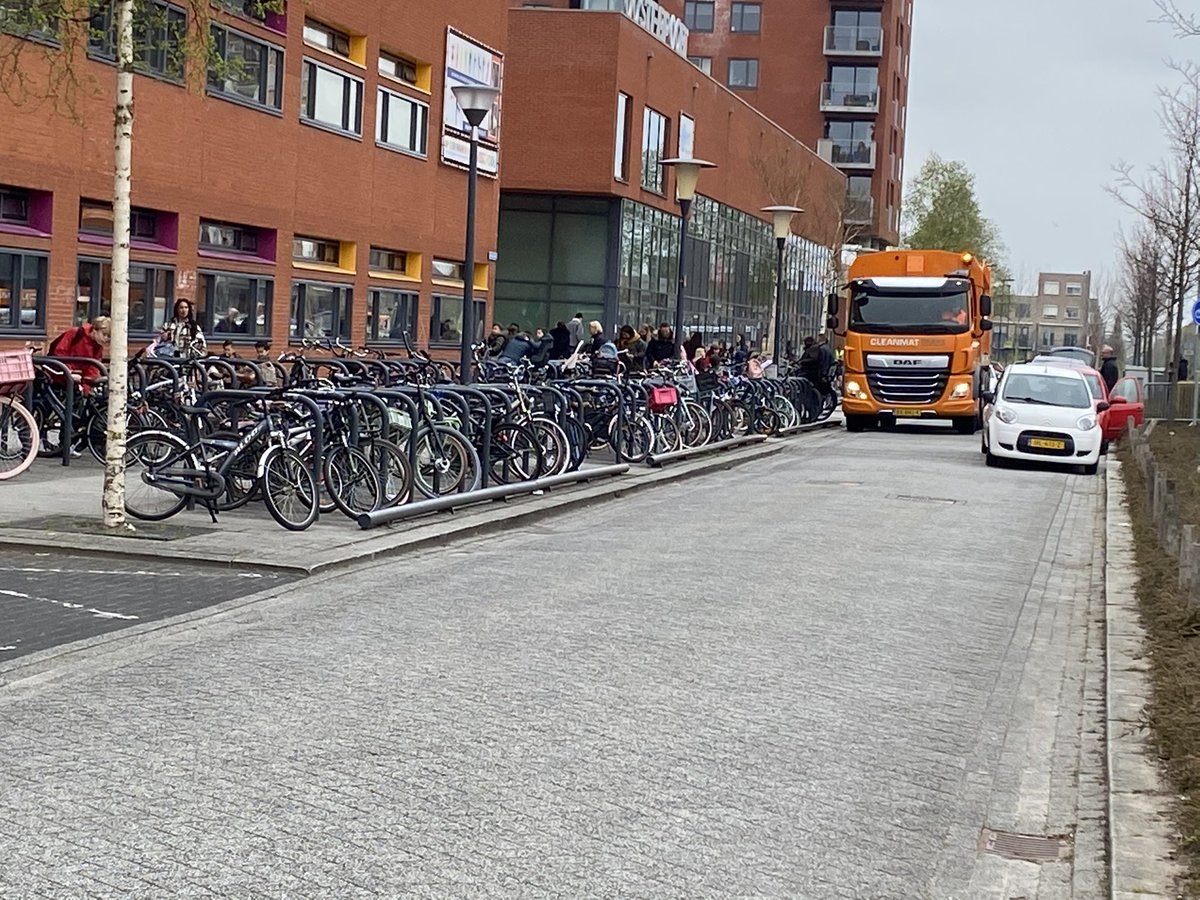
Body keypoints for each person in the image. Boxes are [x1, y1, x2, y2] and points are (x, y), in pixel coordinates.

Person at [48, 315, 110, 390]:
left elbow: (92, 369)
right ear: (95, 330)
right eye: (104, 334)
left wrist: (86, 388)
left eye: (109, 336)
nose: (105, 339)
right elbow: (60, 352)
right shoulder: (76, 333)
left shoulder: (98, 347)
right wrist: (69, 373)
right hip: (59, 375)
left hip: (77, 380)